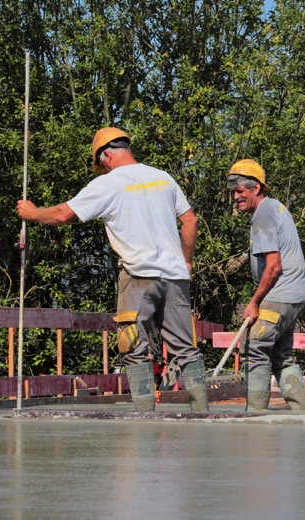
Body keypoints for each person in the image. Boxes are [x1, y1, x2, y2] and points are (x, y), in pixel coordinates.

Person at [16, 127, 209, 412]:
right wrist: (187, 262)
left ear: (106, 155)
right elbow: (190, 221)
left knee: (133, 346)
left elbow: (62, 214)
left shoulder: (109, 184)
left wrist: (32, 213)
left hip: (138, 276)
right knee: (186, 349)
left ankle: (145, 420)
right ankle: (202, 415)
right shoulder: (163, 178)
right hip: (175, 277)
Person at [226, 159, 305, 412]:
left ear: (256, 189)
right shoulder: (275, 207)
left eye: (241, 190)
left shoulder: (263, 214)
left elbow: (273, 266)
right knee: (280, 355)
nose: (236, 196)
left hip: (281, 292)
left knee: (255, 345)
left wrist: (254, 302)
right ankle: (301, 414)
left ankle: (255, 414)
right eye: (233, 192)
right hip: (296, 293)